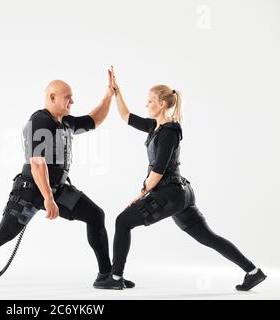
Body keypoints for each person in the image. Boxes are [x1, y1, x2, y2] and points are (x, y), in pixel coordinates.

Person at [0, 71, 134, 290]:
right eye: (67, 97)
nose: (72, 101)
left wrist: (109, 95)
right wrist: (48, 199)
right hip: (31, 190)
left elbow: (94, 120)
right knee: (2, 235)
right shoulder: (41, 120)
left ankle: (105, 276)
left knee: (95, 215)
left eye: (71, 97)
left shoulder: (64, 122)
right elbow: (37, 163)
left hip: (56, 188)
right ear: (52, 97)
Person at [94, 67, 266, 291]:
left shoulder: (169, 131)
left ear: (162, 104)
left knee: (122, 221)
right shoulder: (155, 126)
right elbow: (126, 116)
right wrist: (117, 92)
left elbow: (158, 170)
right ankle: (253, 272)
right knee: (208, 237)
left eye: (150, 101)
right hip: (180, 193)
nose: (146, 104)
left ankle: (115, 279)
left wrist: (140, 194)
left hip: (170, 193)